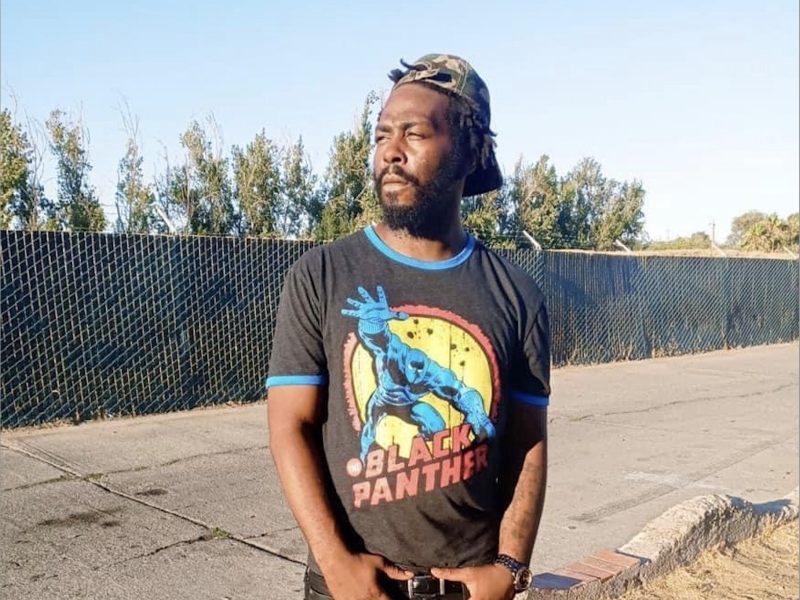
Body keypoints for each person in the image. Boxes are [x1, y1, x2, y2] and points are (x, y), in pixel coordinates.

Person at [267, 53, 550, 600]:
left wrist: (511, 568)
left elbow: (527, 446)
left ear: (471, 151)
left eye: (414, 133)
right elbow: (290, 427)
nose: (390, 152)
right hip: (348, 584)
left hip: (468, 587)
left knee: (444, 401)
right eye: (381, 136)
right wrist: (339, 565)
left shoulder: (518, 295)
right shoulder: (322, 275)